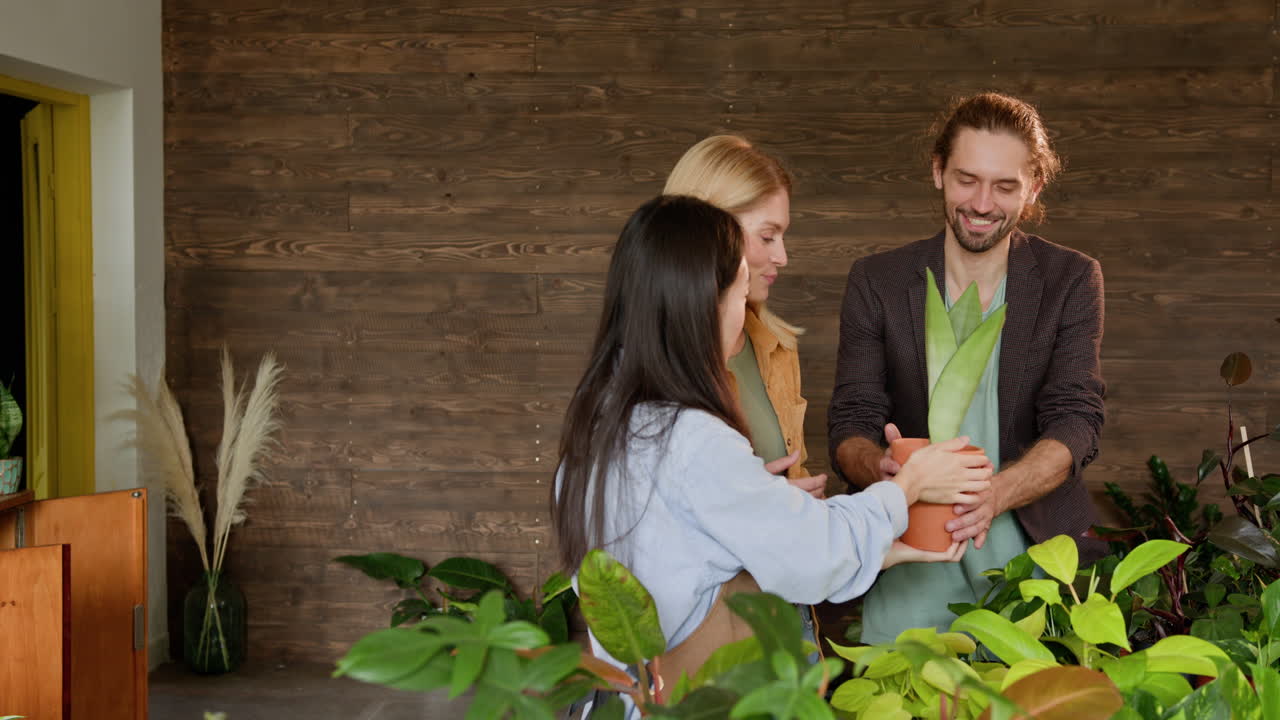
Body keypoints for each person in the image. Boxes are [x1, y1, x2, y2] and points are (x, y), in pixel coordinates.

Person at [551, 194, 992, 711]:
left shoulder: (598, 431)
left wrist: (775, 503)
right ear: (703, 305)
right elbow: (816, 552)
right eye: (740, 296)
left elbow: (695, 552)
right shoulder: (693, 438)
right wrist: (909, 485)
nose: (745, 314)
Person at [827, 92, 1108, 644]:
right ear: (938, 171)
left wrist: (997, 494)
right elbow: (850, 421)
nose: (982, 203)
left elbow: (1076, 419)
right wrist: (884, 472)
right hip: (910, 559)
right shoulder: (877, 281)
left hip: (1034, 562)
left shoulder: (1071, 279)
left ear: (1033, 188)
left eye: (1005, 186)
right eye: (966, 180)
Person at [663, 135, 819, 497]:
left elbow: (793, 476)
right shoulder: (649, 361)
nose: (782, 257)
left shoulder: (776, 345)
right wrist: (745, 502)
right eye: (767, 237)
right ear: (708, 234)